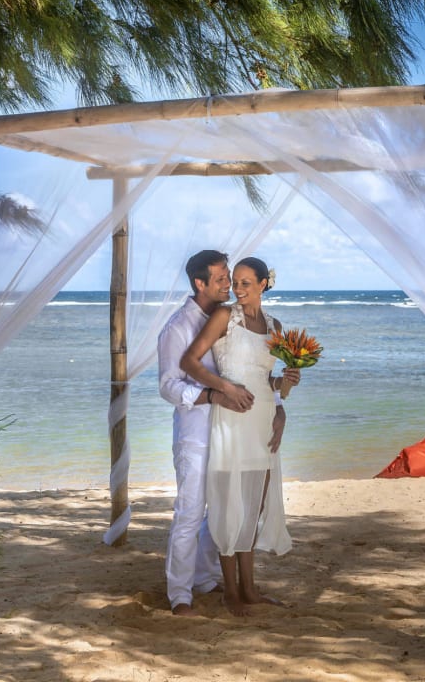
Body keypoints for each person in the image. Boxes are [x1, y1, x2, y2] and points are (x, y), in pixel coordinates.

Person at [179, 256, 300, 616]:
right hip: (232, 419)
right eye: (235, 282)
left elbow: (268, 383)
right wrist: (225, 388)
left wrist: (286, 388)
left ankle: (250, 589)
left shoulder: (275, 326)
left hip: (263, 422)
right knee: (228, 505)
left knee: (253, 507)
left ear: (264, 284)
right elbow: (189, 362)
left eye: (246, 283)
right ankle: (230, 592)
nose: (238, 289)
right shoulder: (224, 317)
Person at [158, 250, 268, 616]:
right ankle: (179, 594)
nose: (228, 285)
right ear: (199, 283)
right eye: (221, 279)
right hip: (196, 434)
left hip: (232, 433)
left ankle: (204, 578)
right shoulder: (177, 327)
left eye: (229, 277)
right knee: (190, 512)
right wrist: (212, 394)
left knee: (218, 512)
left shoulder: (229, 318)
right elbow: (168, 386)